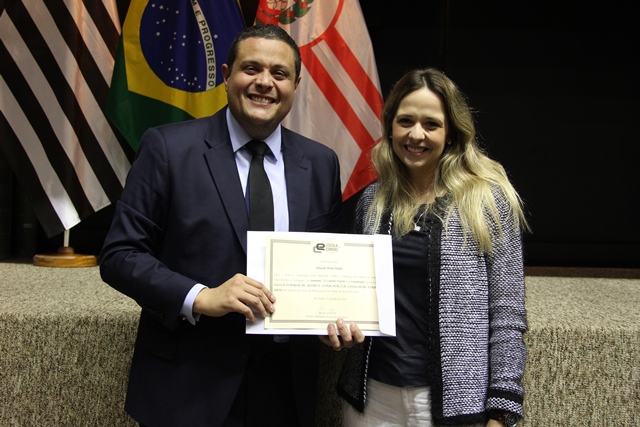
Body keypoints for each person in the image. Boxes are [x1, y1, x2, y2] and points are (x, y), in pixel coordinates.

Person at [100, 24, 359, 427]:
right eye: (251, 68)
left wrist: (332, 315)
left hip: (286, 391)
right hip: (188, 385)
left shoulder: (320, 163)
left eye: (279, 73)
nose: (264, 83)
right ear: (226, 75)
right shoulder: (168, 148)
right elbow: (120, 255)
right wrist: (199, 296)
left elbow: (327, 266)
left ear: (295, 85)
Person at [335, 68, 529, 427]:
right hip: (373, 400)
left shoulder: (487, 199)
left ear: (452, 132)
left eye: (431, 124)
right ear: (390, 126)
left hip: (453, 406)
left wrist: (502, 410)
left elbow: (507, 314)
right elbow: (355, 294)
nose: (416, 134)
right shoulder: (372, 202)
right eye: (405, 121)